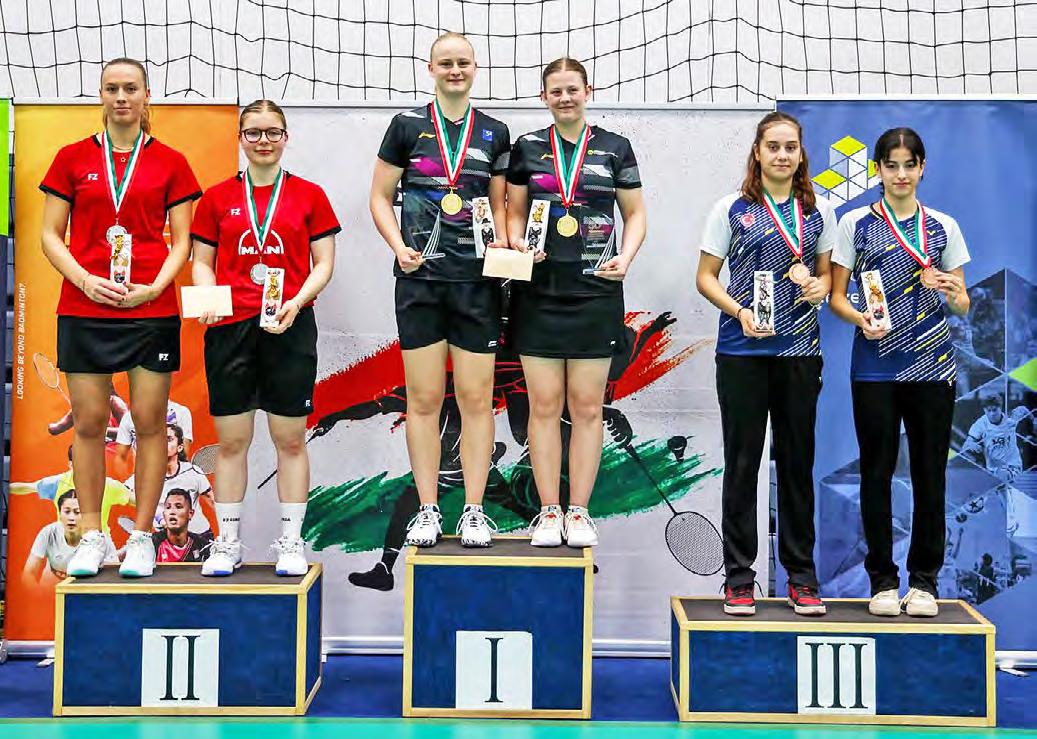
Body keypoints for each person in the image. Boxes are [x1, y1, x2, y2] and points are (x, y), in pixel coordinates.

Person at [38, 57, 201, 577]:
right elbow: (49, 235)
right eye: (112, 88)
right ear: (101, 95)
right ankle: (92, 536)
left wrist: (155, 287)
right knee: (89, 423)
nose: (122, 97)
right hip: (84, 306)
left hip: (149, 308)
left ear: (146, 95)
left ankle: (144, 537)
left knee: (150, 423)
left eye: (131, 88)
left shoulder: (171, 162)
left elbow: (183, 241)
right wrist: (85, 280)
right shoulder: (71, 158)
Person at [370, 32, 510, 548]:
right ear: (430, 68)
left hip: (476, 285)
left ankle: (473, 510)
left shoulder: (495, 132)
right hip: (420, 284)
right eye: (446, 63)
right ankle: (428, 510)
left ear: (475, 68)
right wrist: (397, 246)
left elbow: (499, 205)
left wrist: (509, 248)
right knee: (424, 400)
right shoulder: (406, 126)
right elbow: (380, 197)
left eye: (463, 63)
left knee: (476, 400)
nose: (455, 70)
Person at [191, 99, 339, 577]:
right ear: (240, 138)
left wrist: (297, 302)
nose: (263, 141)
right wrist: (207, 296)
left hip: (290, 325)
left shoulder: (310, 196)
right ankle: (227, 541)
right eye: (253, 133)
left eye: (272, 132)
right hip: (230, 329)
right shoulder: (216, 199)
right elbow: (202, 261)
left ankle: (291, 543)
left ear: (286, 137)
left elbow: (324, 264)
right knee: (232, 441)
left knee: (290, 439)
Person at [695, 112, 835, 617]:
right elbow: (705, 277)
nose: (781, 155)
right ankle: (738, 578)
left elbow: (827, 278)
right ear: (757, 152)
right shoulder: (730, 208)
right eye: (773, 146)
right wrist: (739, 311)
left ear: (801, 154)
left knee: (797, 466)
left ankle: (802, 577)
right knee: (742, 465)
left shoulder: (819, 210)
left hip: (800, 354)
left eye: (790, 147)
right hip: (742, 353)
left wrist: (820, 288)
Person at [504, 57, 646, 548]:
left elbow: (635, 214)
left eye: (572, 89)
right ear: (543, 97)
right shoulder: (527, 148)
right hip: (538, 294)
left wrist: (626, 256)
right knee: (543, 406)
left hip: (596, 292)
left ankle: (580, 512)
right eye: (556, 91)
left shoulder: (615, 148)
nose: (564, 98)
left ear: (589, 91)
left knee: (587, 407)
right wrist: (519, 243)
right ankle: (548, 511)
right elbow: (514, 211)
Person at [829, 127, 971, 618]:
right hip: (874, 368)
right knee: (876, 473)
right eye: (892, 165)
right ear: (878, 170)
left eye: (910, 165)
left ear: (922, 168)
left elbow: (964, 302)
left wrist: (953, 290)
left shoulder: (943, 226)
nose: (901, 174)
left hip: (932, 367)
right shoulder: (855, 223)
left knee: (931, 475)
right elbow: (836, 297)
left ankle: (924, 583)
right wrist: (860, 318)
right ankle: (883, 582)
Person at [124, 423, 213, 534]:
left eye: (169, 439)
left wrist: (227, 530)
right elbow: (122, 491)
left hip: (200, 535)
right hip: (166, 538)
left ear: (180, 447)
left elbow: (212, 500)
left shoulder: (192, 471)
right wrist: (156, 514)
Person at [22, 491, 118, 587]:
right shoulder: (49, 533)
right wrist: (37, 594)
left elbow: (113, 577)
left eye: (77, 512)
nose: (71, 518)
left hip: (83, 591)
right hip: (49, 589)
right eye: (67, 512)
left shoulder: (101, 540)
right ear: (60, 514)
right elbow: (28, 573)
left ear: (86, 516)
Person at [961, 392, 1031, 483]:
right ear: (984, 410)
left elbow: (1023, 409)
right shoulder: (981, 424)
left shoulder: (1010, 420)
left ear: (1000, 408)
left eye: (994, 410)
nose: (992, 414)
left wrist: (1033, 420)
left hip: (1012, 466)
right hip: (992, 469)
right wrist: (971, 444)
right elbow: (966, 444)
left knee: (1002, 475)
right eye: (989, 411)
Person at [113, 398, 194, 467]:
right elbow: (121, 456)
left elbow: (183, 453)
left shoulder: (181, 412)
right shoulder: (129, 417)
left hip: (175, 475)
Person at [151, 489, 214, 563]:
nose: (172, 511)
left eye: (178, 507)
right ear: (164, 514)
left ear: (190, 514)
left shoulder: (202, 546)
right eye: (168, 507)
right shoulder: (152, 544)